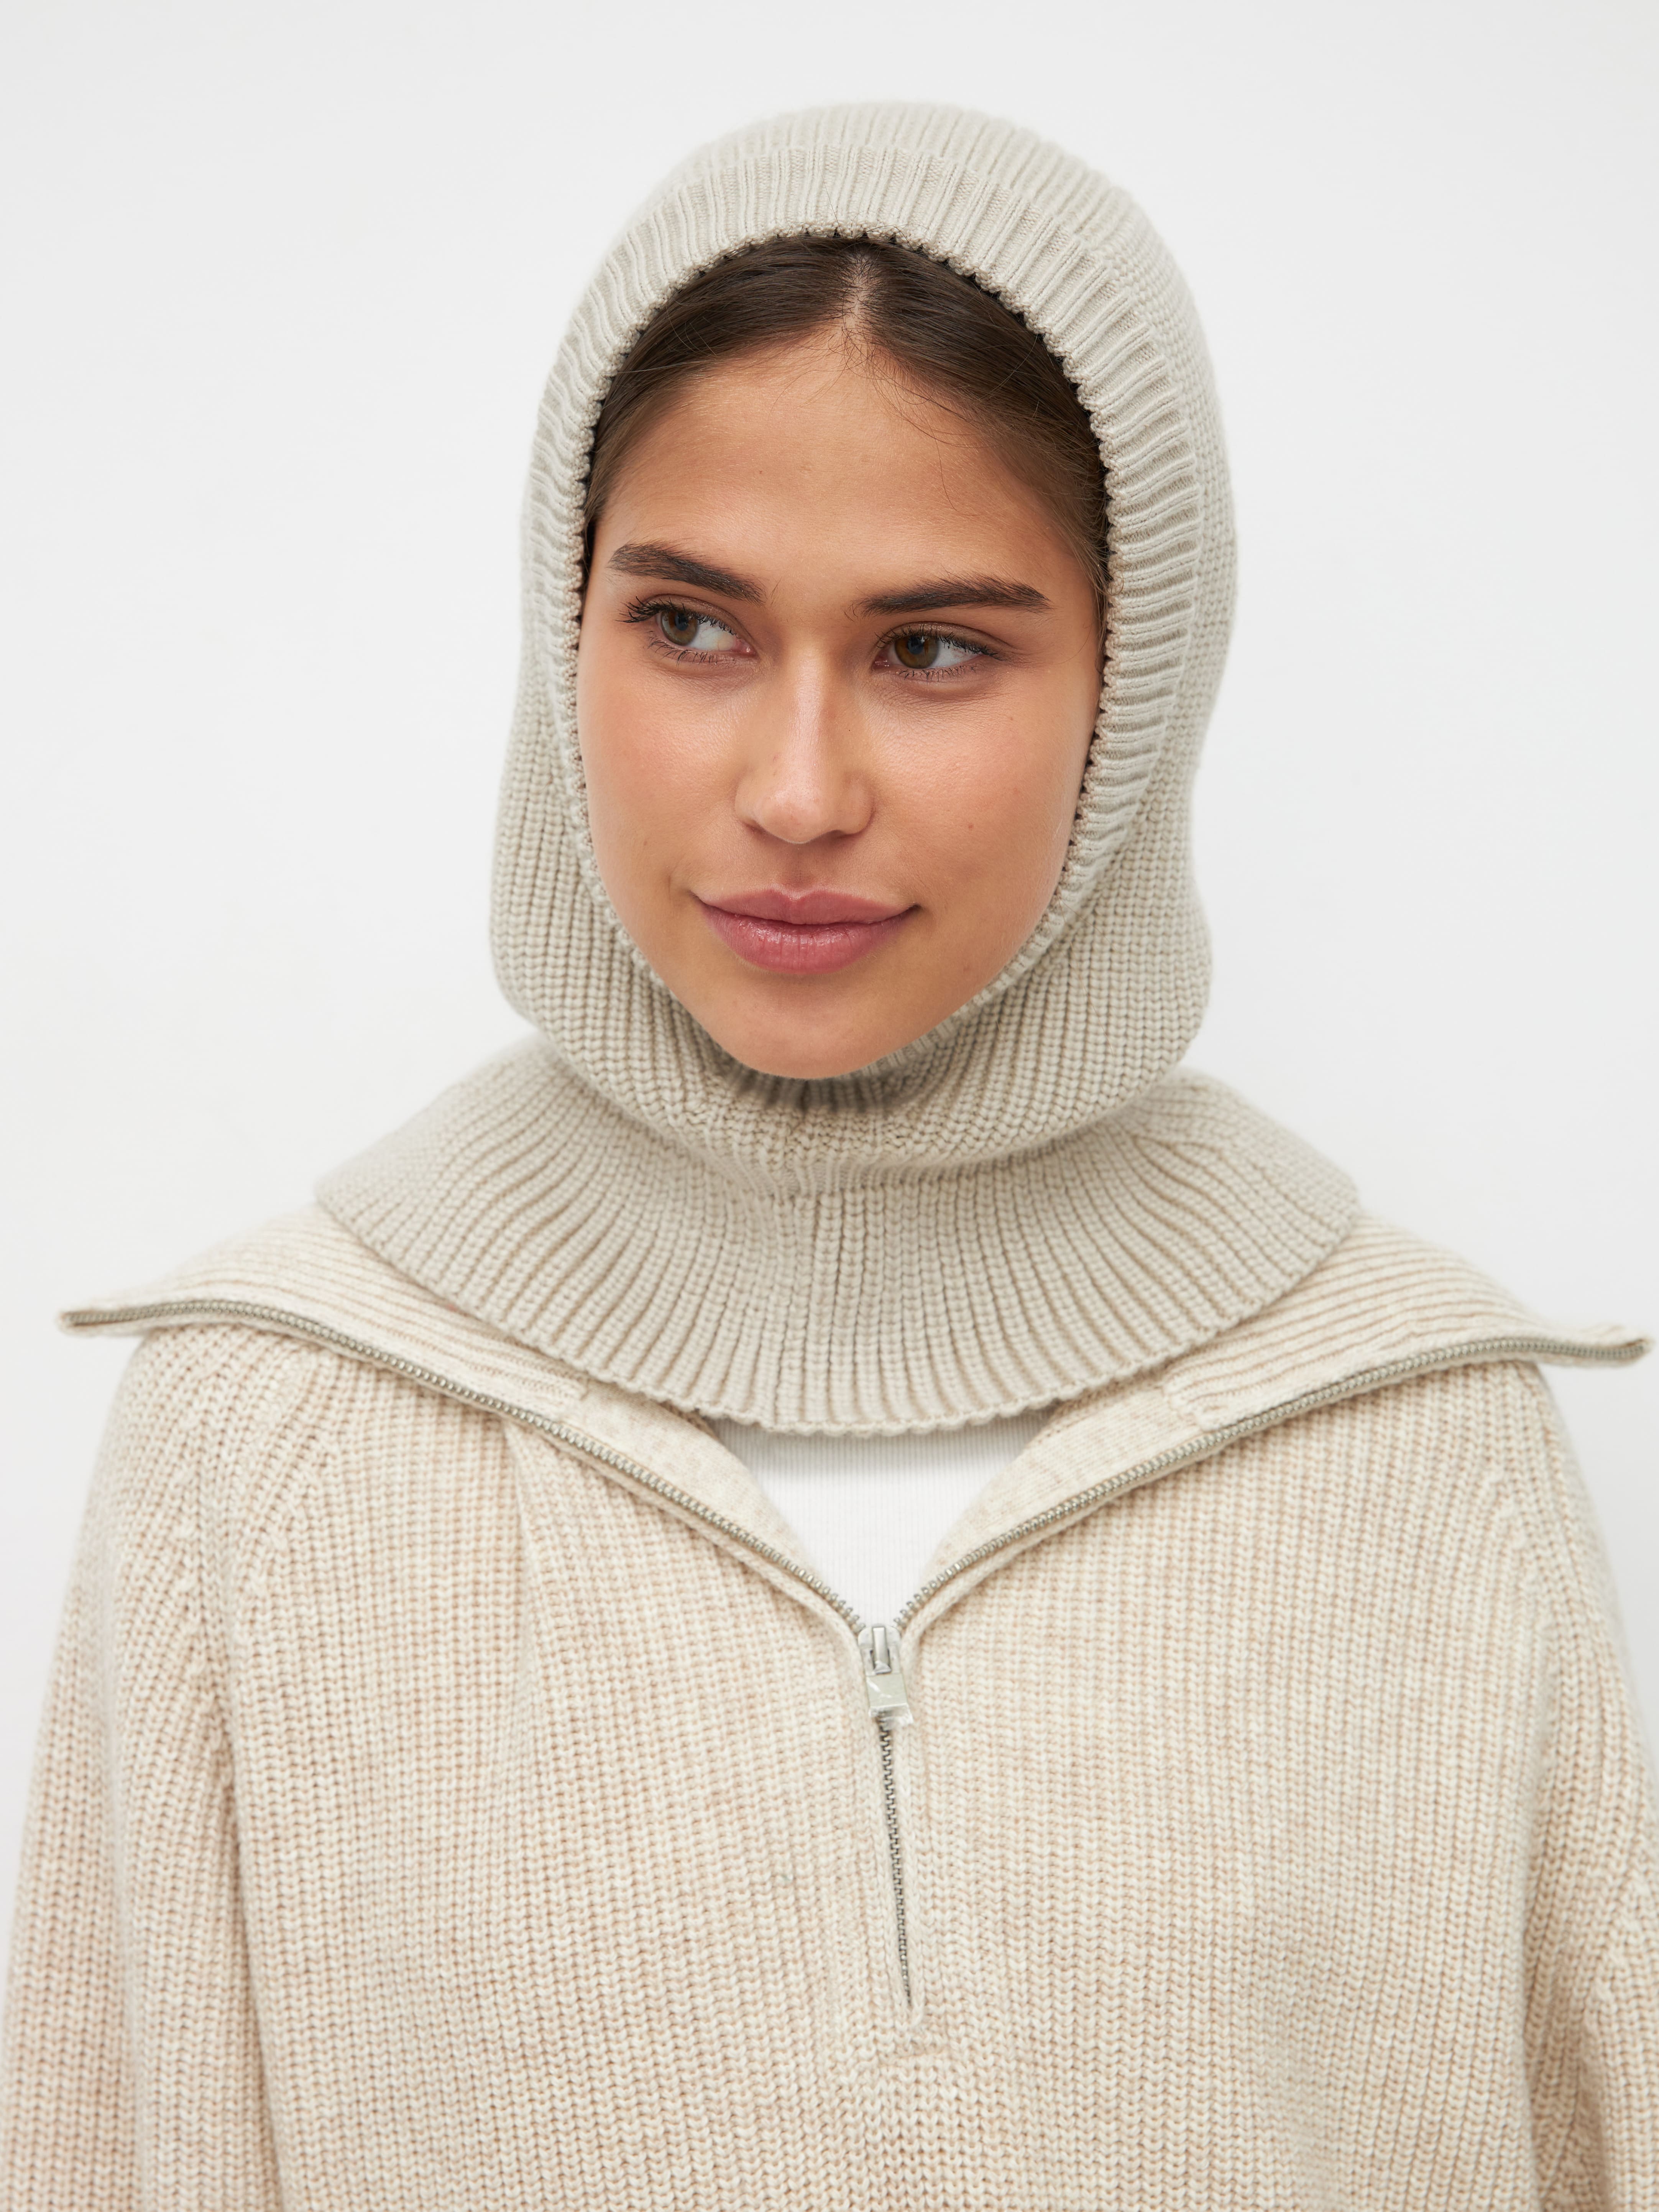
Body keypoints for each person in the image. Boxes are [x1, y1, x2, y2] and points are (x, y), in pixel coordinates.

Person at [3, 102, 1655, 2209]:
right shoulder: (260, 1424)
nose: (796, 789)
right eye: (691, 629)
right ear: (562, 631)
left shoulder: (1420, 1433)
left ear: (1135, 685)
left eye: (933, 648)